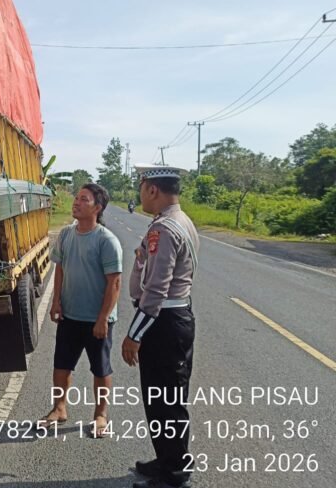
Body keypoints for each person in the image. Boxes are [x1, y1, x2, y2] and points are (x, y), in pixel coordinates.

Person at [121, 165, 200, 488]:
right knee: (161, 399)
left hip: (164, 323)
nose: (140, 194)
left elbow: (156, 291)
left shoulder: (164, 229)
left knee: (166, 402)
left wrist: (134, 335)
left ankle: (174, 473)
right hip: (172, 320)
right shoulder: (179, 220)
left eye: (141, 188)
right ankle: (166, 460)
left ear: (152, 189)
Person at [42, 183, 123, 436]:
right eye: (76, 198)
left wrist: (103, 319)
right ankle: (59, 408)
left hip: (97, 319)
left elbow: (114, 283)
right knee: (62, 364)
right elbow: (60, 268)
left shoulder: (106, 240)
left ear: (97, 208)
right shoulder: (66, 234)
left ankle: (100, 415)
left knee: (100, 368)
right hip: (70, 315)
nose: (76, 202)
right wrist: (56, 301)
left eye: (84, 199)